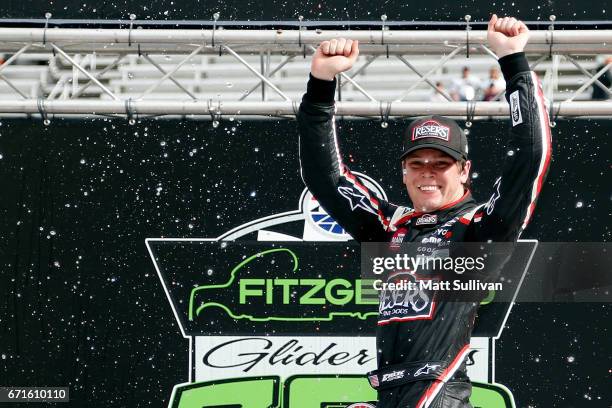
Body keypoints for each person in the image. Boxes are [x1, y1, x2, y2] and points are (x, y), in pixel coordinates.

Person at [297, 14, 552, 408]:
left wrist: (513, 62)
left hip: (439, 391)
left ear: (465, 170)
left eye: (441, 163)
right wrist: (321, 85)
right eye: (417, 163)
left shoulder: (479, 229)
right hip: (390, 392)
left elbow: (531, 157)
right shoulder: (388, 227)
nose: (427, 174)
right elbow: (325, 179)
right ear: (403, 171)